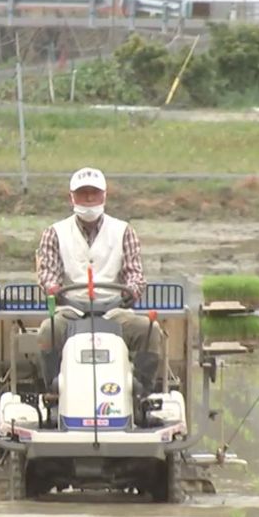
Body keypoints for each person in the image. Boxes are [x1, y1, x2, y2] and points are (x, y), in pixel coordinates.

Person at [35, 167, 163, 394]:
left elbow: (135, 273)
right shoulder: (55, 232)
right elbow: (47, 272)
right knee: (48, 330)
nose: (89, 198)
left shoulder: (124, 231)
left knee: (149, 330)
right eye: (83, 193)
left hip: (114, 310)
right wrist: (52, 287)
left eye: (94, 192)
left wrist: (132, 290)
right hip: (71, 311)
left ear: (104, 195)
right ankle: (54, 390)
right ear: (71, 196)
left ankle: (141, 390)